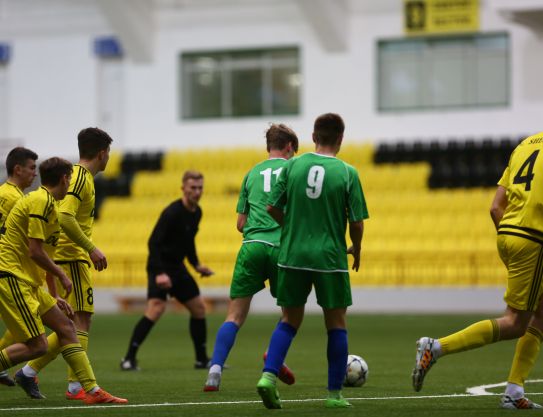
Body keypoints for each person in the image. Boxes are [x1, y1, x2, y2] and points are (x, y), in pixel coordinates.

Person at [412, 131, 543, 409]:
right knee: (517, 322)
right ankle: (435, 347)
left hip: (508, 233)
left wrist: (514, 245)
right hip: (534, 238)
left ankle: (514, 392)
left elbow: (495, 207)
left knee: (540, 313)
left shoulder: (524, 146)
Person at [256, 113, 368, 409]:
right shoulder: (347, 173)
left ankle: (268, 378)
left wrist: (292, 227)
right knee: (336, 323)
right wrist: (356, 247)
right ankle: (334, 395)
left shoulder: (293, 165)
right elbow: (356, 222)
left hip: (292, 254)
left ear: (314, 137)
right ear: (340, 139)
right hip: (330, 257)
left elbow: (271, 206)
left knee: (289, 320)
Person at [0, 157, 126, 404]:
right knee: (37, 346)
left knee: (67, 327)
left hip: (30, 281)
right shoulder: (40, 201)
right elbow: (34, 252)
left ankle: (92, 391)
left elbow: (43, 253)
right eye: (70, 178)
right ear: (65, 179)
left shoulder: (51, 206)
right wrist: (61, 275)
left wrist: (54, 294)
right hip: (12, 276)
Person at [204, 124, 299, 392]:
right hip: (282, 248)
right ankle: (273, 356)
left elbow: (240, 223)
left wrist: (258, 228)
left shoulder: (251, 173)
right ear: (290, 147)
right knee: (291, 315)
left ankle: (214, 371)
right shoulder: (294, 169)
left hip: (252, 246)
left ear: (269, 146)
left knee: (233, 316)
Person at [19, 127, 112, 400]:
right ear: (102, 153)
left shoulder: (78, 176)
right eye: (108, 154)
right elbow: (66, 216)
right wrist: (91, 249)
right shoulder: (81, 178)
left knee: (69, 324)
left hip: (69, 255)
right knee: (80, 321)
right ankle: (76, 386)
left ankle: (29, 371)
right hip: (71, 256)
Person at [121, 170, 214, 370]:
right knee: (156, 308)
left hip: (177, 267)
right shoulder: (172, 212)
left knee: (198, 308)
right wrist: (160, 273)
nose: (197, 192)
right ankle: (128, 359)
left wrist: (196, 265)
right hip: (159, 265)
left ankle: (201, 359)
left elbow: (188, 242)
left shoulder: (197, 212)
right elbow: (153, 243)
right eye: (193, 188)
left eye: (200, 188)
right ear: (183, 189)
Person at [0, 147, 38, 387]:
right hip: (9, 268)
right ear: (18, 169)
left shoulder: (2, 193)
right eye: (32, 168)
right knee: (35, 339)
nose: (35, 173)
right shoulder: (17, 200)